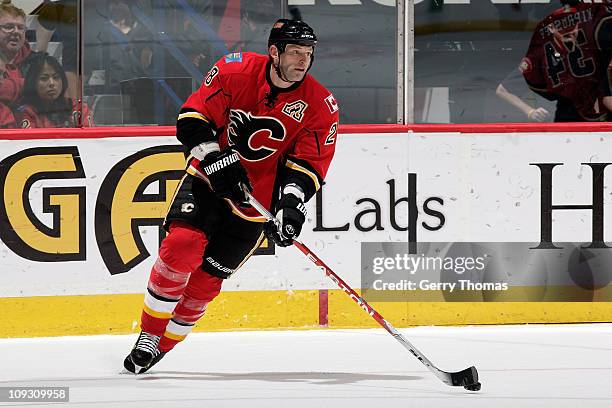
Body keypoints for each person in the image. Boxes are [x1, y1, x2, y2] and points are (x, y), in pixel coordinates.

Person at [123, 19, 339, 374]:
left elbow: (308, 165)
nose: (304, 60)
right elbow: (193, 118)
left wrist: (289, 207)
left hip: (256, 207)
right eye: (296, 52)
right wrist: (215, 158)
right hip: (208, 183)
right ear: (274, 52)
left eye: (309, 53)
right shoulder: (235, 70)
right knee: (181, 248)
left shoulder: (321, 104)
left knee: (207, 282)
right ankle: (148, 335)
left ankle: (163, 345)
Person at [520, 0, 612, 122]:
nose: (569, 29)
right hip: (574, 117)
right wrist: (530, 111)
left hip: (573, 117)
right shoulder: (540, 55)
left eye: (572, 22)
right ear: (551, 28)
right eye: (562, 24)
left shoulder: (540, 51)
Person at [15, 54, 91, 127]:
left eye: (56, 77)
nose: (52, 83)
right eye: (44, 78)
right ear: (32, 83)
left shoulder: (78, 107)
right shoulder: (26, 112)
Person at [0, 0, 37, 127]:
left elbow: (46, 93)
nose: (16, 32)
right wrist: (27, 85)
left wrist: (7, 87)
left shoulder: (38, 61)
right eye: (8, 27)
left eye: (20, 28)